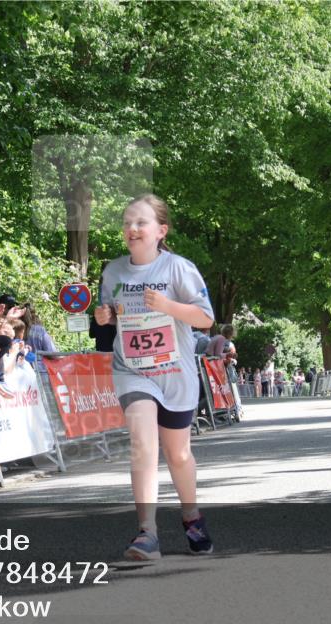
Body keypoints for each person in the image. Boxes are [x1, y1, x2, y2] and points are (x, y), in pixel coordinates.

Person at [94, 194, 215, 560]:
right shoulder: (113, 271)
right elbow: (111, 316)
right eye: (128, 222)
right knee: (143, 445)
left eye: (141, 222)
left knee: (178, 455)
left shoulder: (179, 269)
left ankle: (191, 517)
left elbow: (205, 319)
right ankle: (147, 533)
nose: (132, 229)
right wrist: (105, 318)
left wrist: (168, 306)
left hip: (174, 373)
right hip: (131, 370)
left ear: (161, 230)